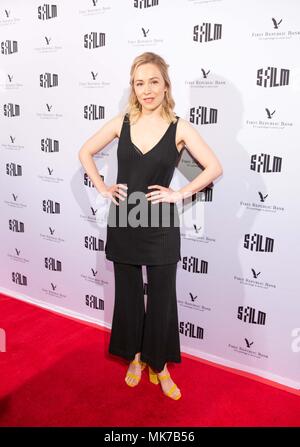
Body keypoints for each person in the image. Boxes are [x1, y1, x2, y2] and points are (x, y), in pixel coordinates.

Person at [78, 52, 223, 401]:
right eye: (139, 82)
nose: (147, 89)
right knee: (127, 296)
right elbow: (85, 152)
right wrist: (102, 186)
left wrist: (180, 194)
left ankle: (160, 364)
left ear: (165, 85)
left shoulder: (180, 127)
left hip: (159, 223)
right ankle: (136, 357)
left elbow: (213, 167)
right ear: (133, 87)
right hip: (124, 220)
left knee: (161, 298)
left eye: (153, 81)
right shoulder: (122, 122)